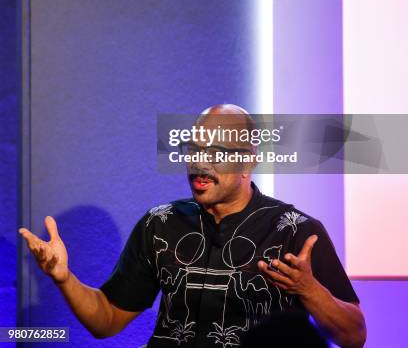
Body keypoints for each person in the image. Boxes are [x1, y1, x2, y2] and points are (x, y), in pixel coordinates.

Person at [20, 104, 366, 347]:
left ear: (247, 160)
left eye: (215, 152)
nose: (200, 163)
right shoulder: (160, 224)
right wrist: (64, 279)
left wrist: (310, 290)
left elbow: (354, 336)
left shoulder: (295, 230)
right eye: (194, 149)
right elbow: (106, 320)